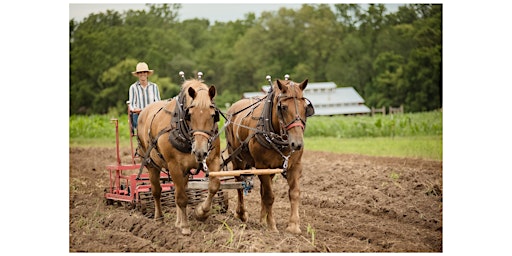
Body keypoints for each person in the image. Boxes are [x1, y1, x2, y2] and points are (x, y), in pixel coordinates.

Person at [128, 62, 161, 135]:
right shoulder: (133, 87)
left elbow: (158, 102)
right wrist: (135, 109)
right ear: (137, 74)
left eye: (144, 72)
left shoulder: (154, 87)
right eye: (140, 72)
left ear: (147, 73)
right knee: (141, 126)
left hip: (152, 114)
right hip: (139, 114)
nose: (142, 74)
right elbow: (131, 104)